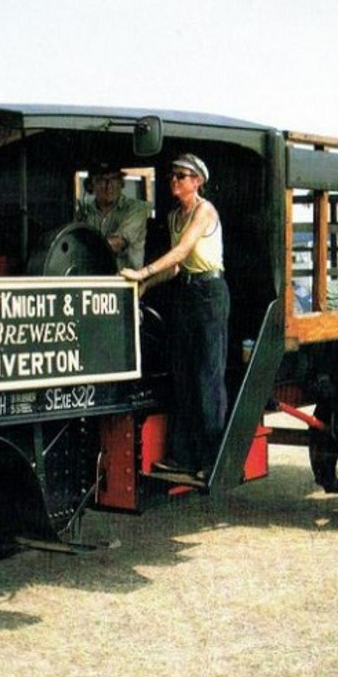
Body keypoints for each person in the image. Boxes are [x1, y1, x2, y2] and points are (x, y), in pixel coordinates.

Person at [121, 153, 228, 479]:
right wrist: (145, 286)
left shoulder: (204, 210)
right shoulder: (174, 217)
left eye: (182, 176)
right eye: (173, 176)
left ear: (197, 182)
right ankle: (182, 457)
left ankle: (212, 461)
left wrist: (142, 271)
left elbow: (181, 252)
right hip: (186, 291)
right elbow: (178, 268)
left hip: (210, 294)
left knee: (207, 378)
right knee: (182, 376)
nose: (175, 181)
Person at [77, 164, 148, 272]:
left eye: (114, 179)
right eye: (101, 180)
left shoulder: (136, 209)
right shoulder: (84, 213)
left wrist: (85, 248)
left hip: (126, 280)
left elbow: (119, 243)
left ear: (121, 183)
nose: (108, 186)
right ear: (90, 185)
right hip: (92, 279)